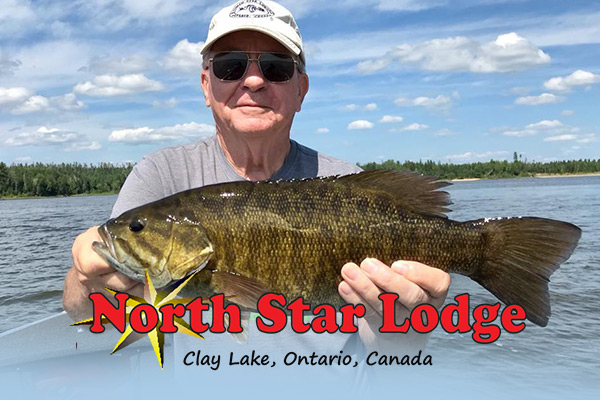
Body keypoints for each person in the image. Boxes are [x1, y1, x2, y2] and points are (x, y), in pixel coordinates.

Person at [63, 0, 450, 354]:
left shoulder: (351, 185)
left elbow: (389, 349)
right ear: (205, 85)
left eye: (276, 67)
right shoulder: (163, 176)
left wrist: (403, 329)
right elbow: (86, 314)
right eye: (229, 66)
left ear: (301, 89)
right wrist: (86, 281)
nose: (252, 81)